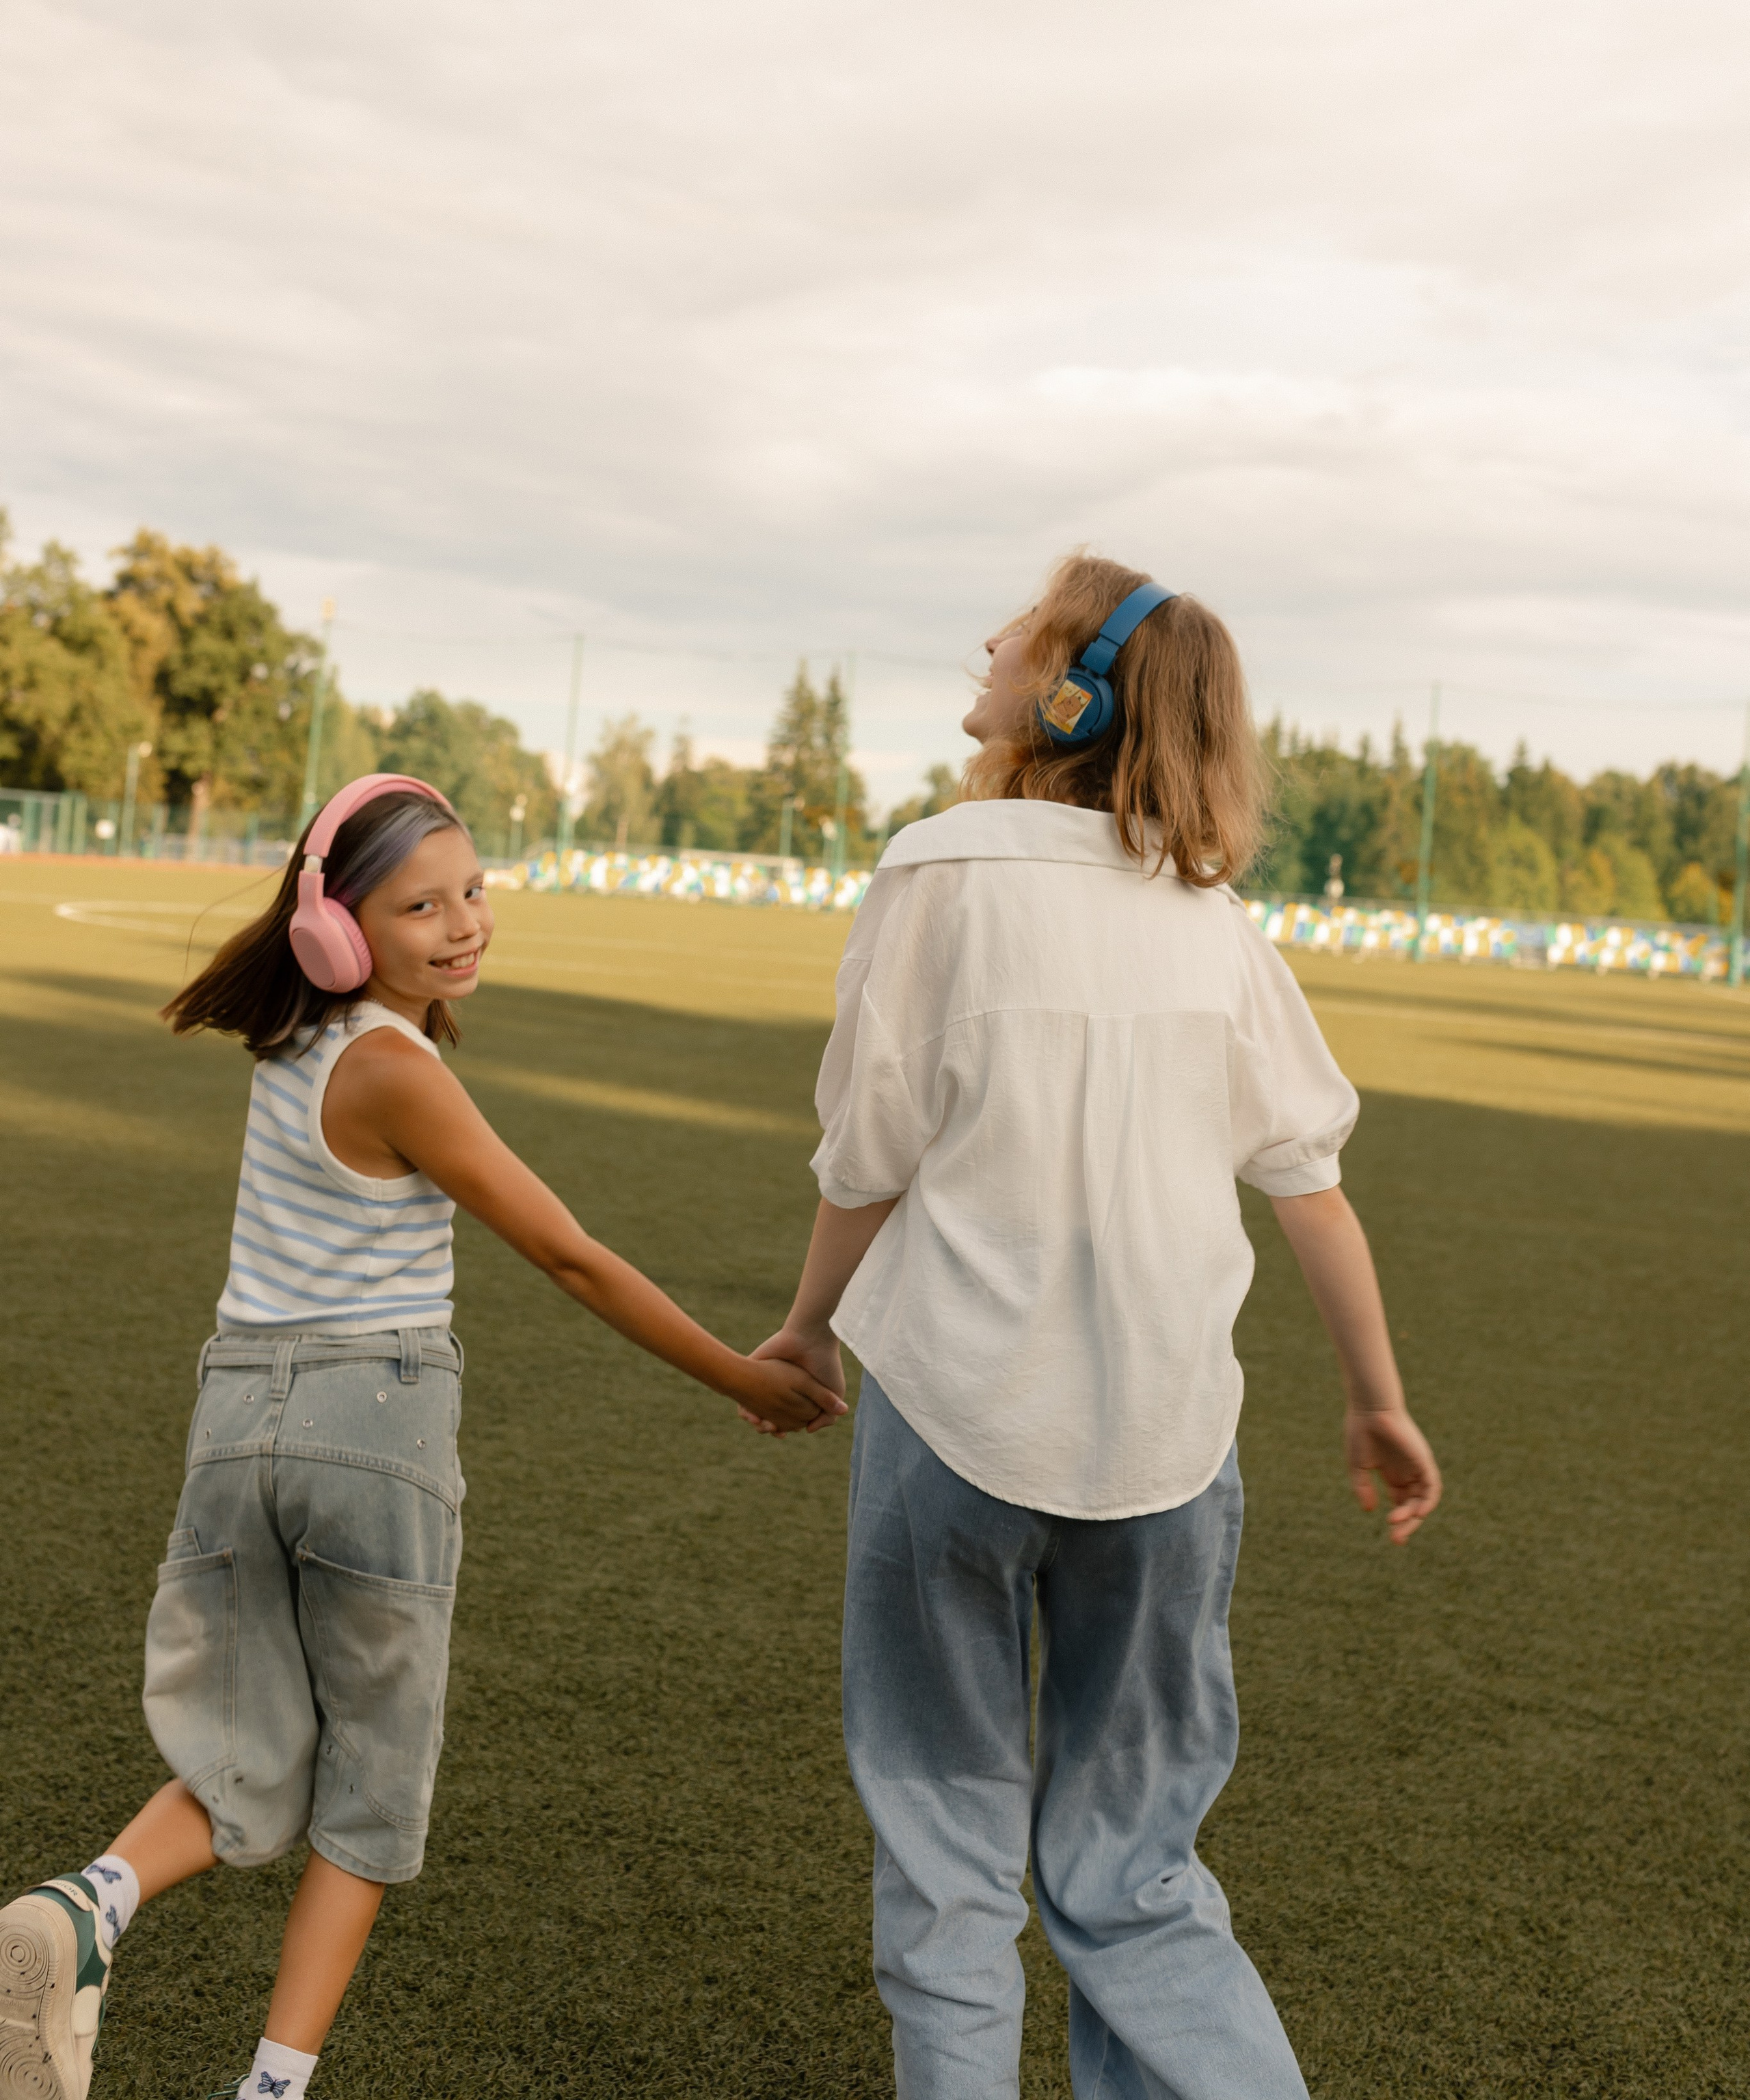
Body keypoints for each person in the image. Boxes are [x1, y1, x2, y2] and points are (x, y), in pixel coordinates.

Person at [1, 772, 844, 2100]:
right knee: (371, 1790)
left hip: (236, 1421)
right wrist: (734, 1371)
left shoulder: (290, 1048)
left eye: (472, 891)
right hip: (368, 1426)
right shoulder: (398, 1068)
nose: (463, 925)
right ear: (338, 929)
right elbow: (567, 1256)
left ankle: (82, 1908)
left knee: (251, 1750)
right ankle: (272, 2093)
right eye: (420, 906)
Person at [748, 555, 1442, 2100]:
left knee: (946, 1858)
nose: (988, 639)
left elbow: (868, 1150)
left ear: (1068, 692)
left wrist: (805, 1329)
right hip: (1169, 1453)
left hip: (954, 1423)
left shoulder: (938, 870)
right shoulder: (1213, 924)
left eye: (1023, 627)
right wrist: (1373, 1400)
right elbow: (1309, 1190)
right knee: (1131, 1873)